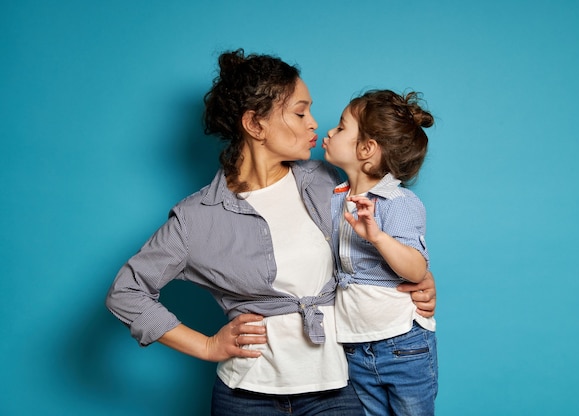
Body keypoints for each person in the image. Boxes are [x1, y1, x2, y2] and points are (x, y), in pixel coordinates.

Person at [105, 49, 437, 416]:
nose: (314, 123)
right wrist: (206, 346)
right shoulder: (196, 217)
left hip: (336, 387)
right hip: (243, 396)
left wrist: (417, 280)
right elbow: (127, 293)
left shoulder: (328, 182)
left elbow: (375, 243)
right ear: (255, 125)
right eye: (300, 112)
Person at [322, 89, 438, 415]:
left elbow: (416, 270)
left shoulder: (398, 202)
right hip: (355, 346)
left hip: (402, 344)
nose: (330, 132)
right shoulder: (334, 198)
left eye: (341, 127)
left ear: (367, 149)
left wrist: (377, 236)